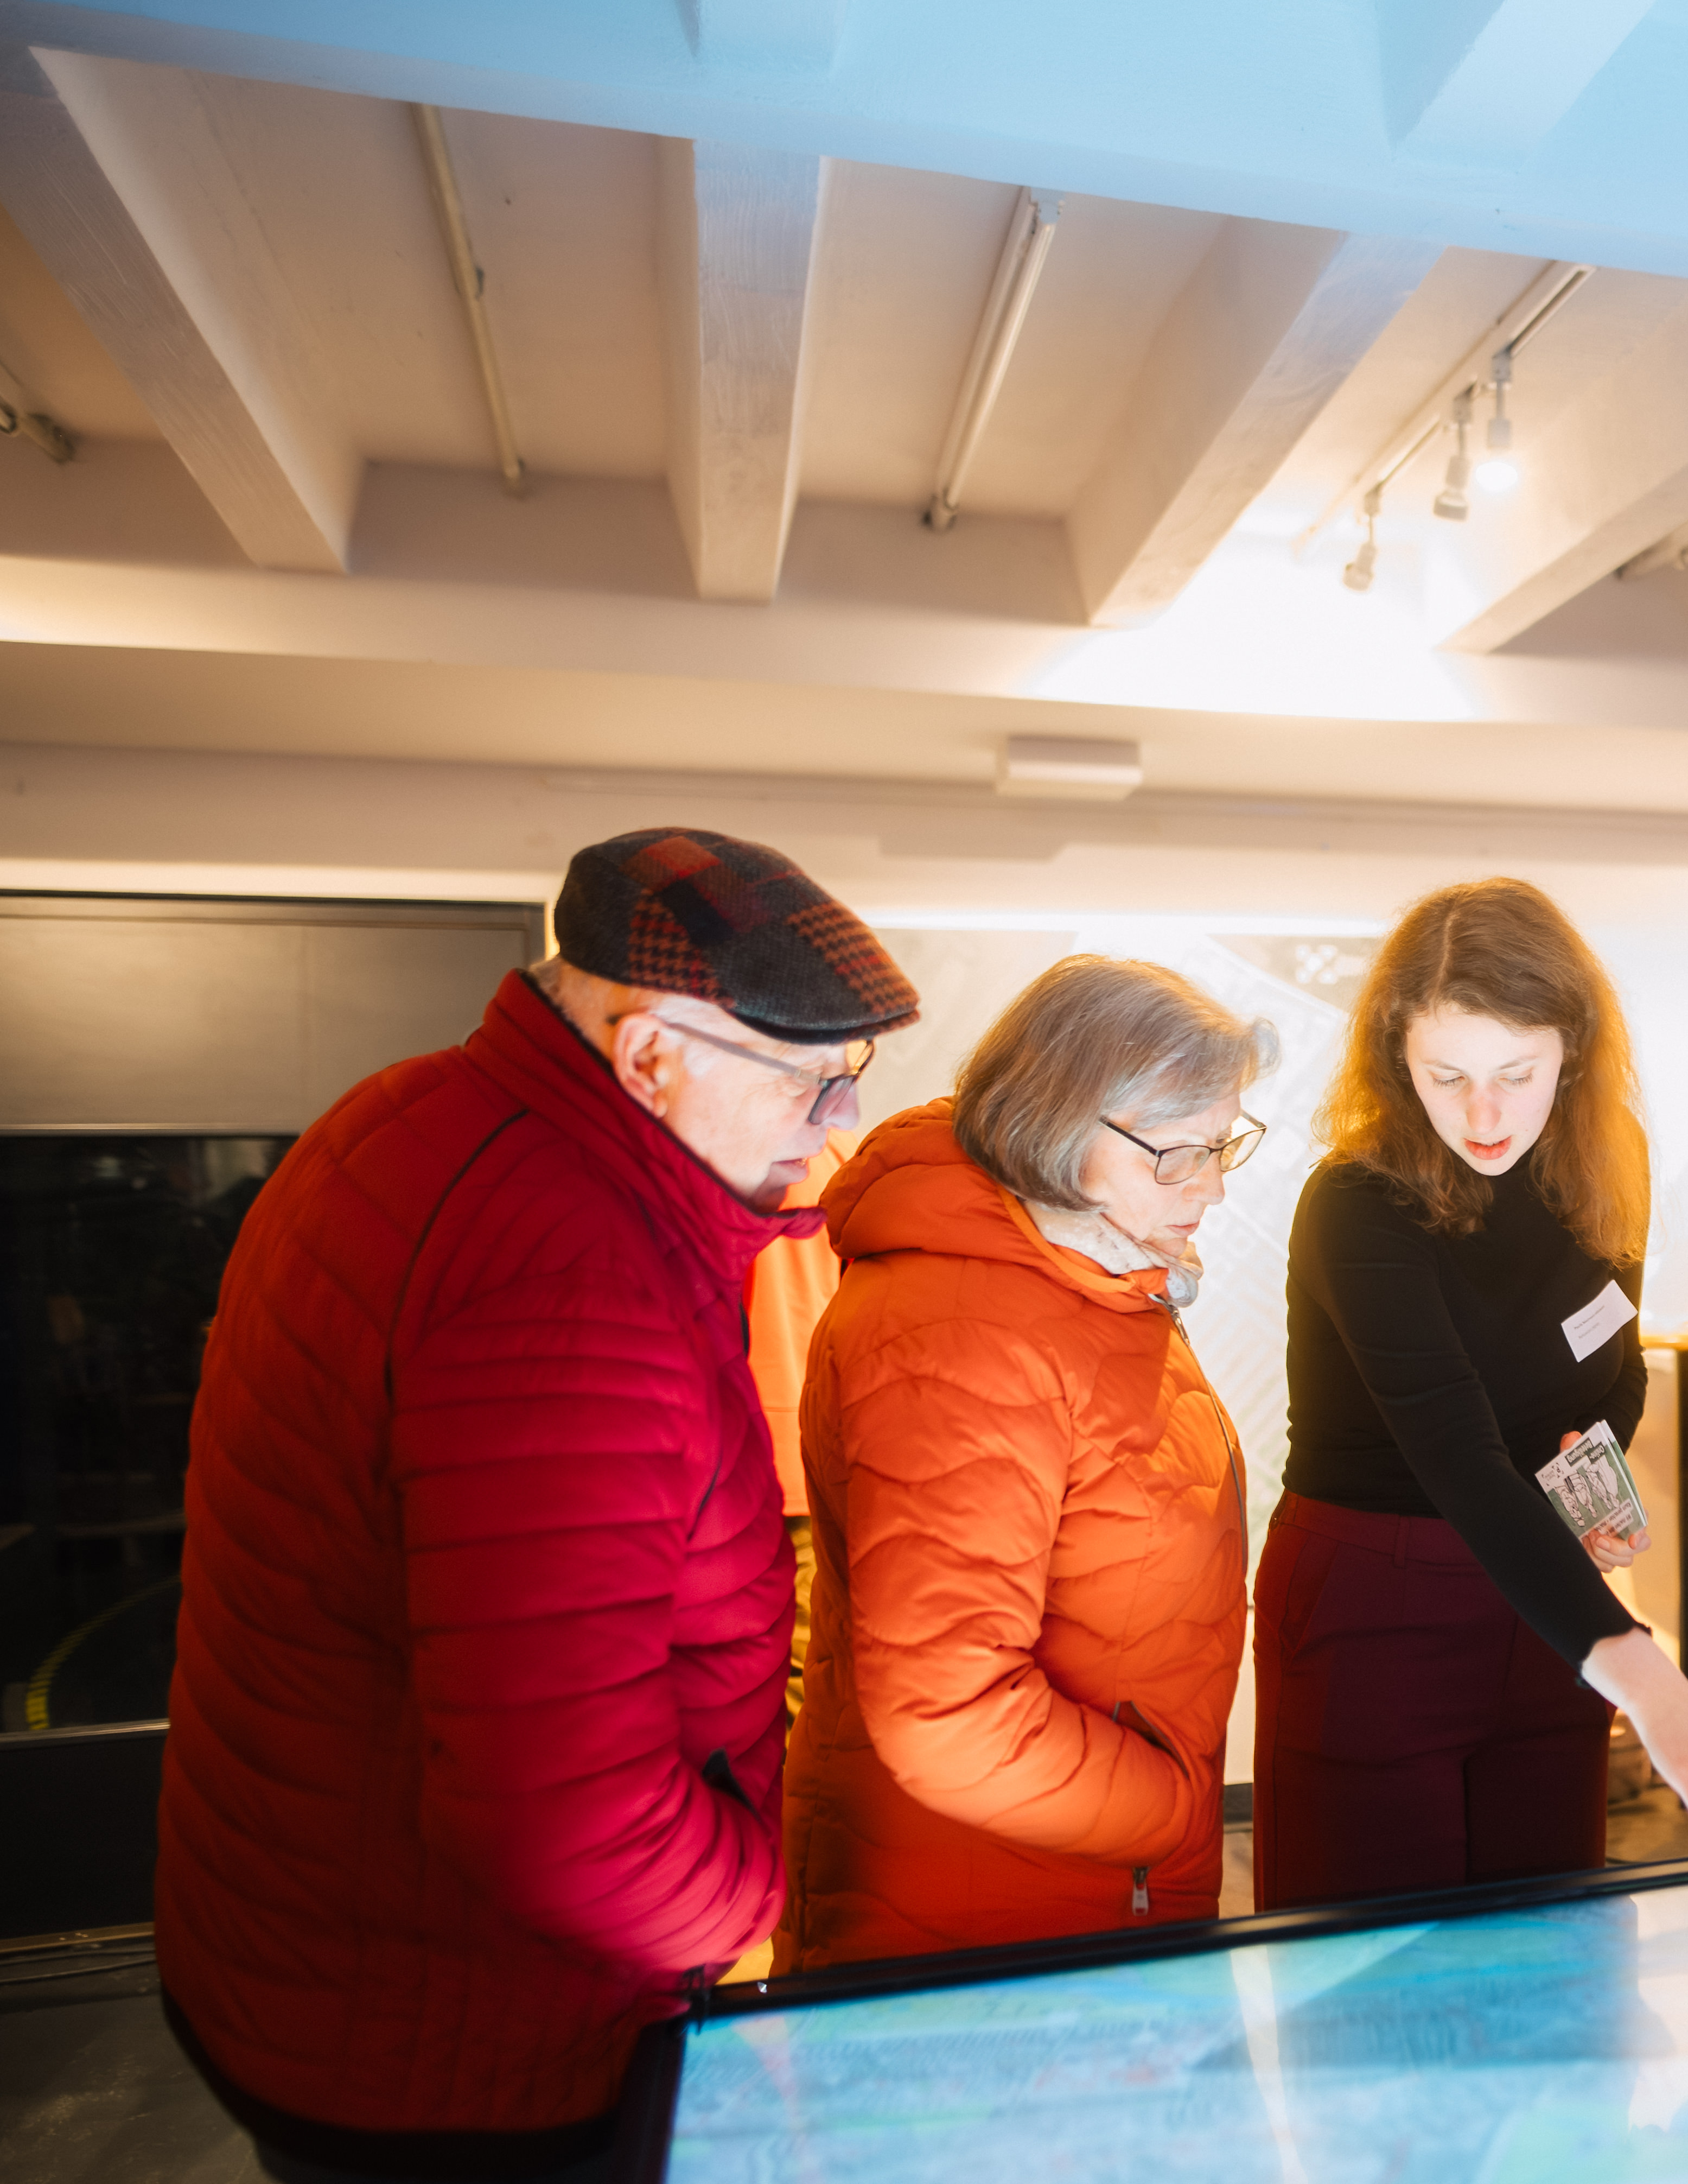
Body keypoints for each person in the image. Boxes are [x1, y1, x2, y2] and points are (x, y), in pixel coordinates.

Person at [160, 828, 916, 2184]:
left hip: (310, 1950)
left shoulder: (407, 1113)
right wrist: (752, 1908)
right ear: (652, 1054)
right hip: (467, 2048)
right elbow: (565, 1822)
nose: (836, 1118)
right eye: (808, 1077)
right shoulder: (568, 1280)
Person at [1260, 879, 1688, 1908]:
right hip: (1380, 1595)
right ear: (1396, 1061)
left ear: (1572, 1050)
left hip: (1545, 1583)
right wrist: (1655, 1687)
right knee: (1377, 1946)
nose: (1484, 1115)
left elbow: (1613, 1365)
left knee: (1555, 1917)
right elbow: (1459, 1457)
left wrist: (1588, 1481)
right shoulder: (1357, 1202)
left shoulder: (1608, 1160)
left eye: (1516, 1075)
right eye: (1446, 1076)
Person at [776, 957, 1271, 1970]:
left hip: (1075, 1882)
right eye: (1179, 1152)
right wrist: (1170, 1810)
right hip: (988, 1917)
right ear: (1058, 1126)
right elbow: (950, 1711)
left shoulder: (1087, 1279)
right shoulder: (967, 1333)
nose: (1214, 1185)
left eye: (1222, 1144)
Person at [747, 1126, 856, 1721]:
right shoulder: (841, 1155)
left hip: (717, 1443)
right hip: (806, 1443)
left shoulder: (698, 1139)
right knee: (803, 1660)